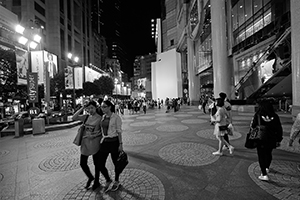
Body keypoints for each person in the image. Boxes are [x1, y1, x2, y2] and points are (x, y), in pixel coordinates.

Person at [72, 100, 102, 190]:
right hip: (85, 143)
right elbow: (74, 117)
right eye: (88, 108)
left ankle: (96, 181)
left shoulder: (100, 118)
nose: (90, 110)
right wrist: (82, 107)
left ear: (96, 107)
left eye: (92, 108)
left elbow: (102, 132)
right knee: (83, 163)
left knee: (97, 164)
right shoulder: (86, 117)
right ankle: (90, 177)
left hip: (95, 143)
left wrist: (94, 135)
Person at [250, 99, 283, 181]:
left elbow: (253, 126)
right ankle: (267, 167)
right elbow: (279, 129)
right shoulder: (275, 116)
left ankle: (264, 173)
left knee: (261, 155)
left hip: (261, 138)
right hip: (272, 138)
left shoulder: (258, 115)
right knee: (268, 153)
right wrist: (279, 139)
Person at [98, 100, 124, 192]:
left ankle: (117, 181)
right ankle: (108, 179)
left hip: (114, 142)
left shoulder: (116, 118)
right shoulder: (103, 117)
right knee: (100, 164)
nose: (102, 109)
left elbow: (119, 132)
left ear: (109, 107)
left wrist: (120, 144)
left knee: (116, 163)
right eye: (101, 107)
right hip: (104, 142)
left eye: (104, 107)